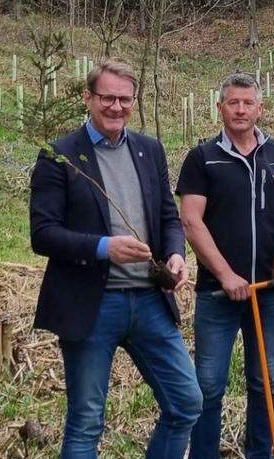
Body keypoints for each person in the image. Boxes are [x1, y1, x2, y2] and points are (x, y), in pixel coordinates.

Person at [29, 59, 201, 459]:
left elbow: (167, 216)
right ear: (88, 98)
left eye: (125, 99)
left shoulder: (149, 150)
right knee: (86, 421)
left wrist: (176, 254)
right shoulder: (60, 155)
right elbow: (43, 234)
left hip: (149, 302)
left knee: (186, 402)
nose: (116, 107)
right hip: (92, 304)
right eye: (107, 97)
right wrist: (105, 246)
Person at [176, 73, 274, 459]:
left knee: (265, 382)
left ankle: (260, 454)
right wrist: (226, 275)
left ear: (260, 108)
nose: (240, 110)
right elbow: (191, 222)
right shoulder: (202, 158)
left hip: (269, 292)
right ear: (220, 108)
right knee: (209, 385)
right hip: (217, 295)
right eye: (233, 102)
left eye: (248, 103)